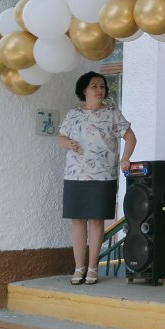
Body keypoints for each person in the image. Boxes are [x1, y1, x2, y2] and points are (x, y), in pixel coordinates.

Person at [57, 71, 136, 286]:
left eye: (102, 86)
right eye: (94, 86)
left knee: (96, 220)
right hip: (75, 174)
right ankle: (78, 268)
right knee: (77, 221)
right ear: (84, 90)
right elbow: (61, 136)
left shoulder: (112, 114)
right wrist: (66, 143)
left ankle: (92, 268)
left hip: (103, 175)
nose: (99, 90)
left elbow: (130, 137)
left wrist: (125, 158)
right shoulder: (73, 114)